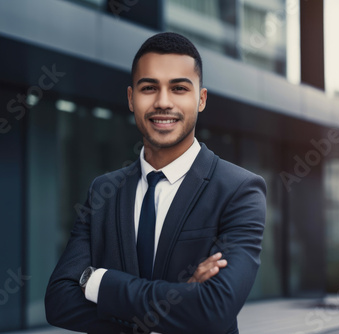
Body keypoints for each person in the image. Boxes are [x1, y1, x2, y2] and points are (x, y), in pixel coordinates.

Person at [45, 32, 266, 334]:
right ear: (131, 98)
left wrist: (97, 282)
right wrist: (180, 303)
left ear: (200, 99)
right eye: (149, 88)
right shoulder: (103, 191)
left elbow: (214, 309)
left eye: (178, 88)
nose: (163, 102)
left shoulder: (239, 190)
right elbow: (59, 301)